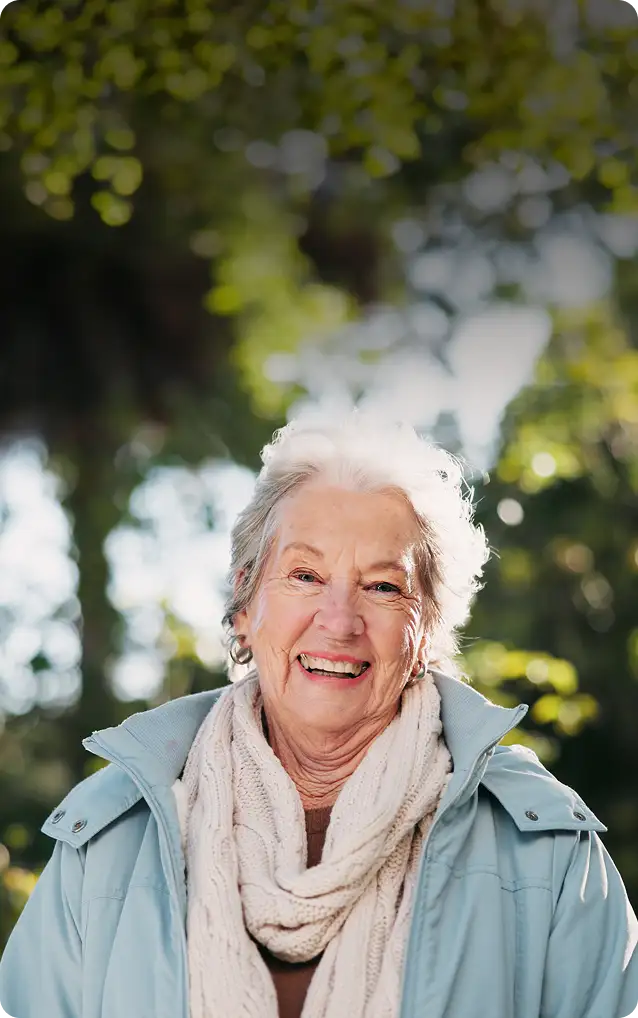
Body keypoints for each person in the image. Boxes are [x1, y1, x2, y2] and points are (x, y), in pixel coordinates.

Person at [1, 410, 637, 1018]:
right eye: (305, 575)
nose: (339, 621)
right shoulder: (110, 835)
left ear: (428, 631)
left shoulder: (547, 852)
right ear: (245, 607)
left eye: (383, 586)